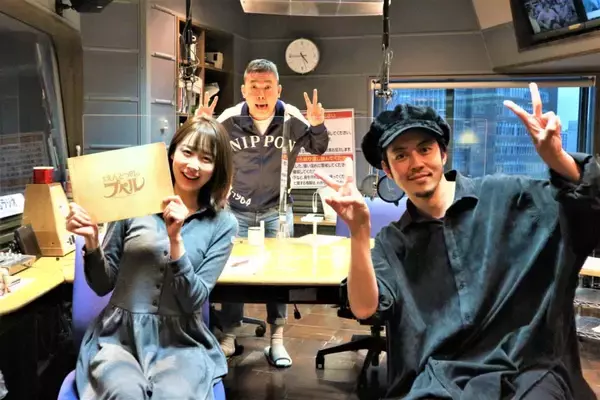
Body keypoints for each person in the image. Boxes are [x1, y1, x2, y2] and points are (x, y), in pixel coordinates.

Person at [316, 83, 600, 399]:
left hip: (526, 367)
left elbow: (585, 207)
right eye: (401, 155)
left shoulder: (508, 197)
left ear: (443, 153)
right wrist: (358, 232)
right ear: (387, 169)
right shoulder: (393, 243)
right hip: (439, 377)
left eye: (425, 149)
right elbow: (365, 308)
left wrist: (559, 159)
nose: (415, 163)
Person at [66, 116, 238, 399]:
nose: (193, 165)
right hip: (119, 338)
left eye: (206, 159)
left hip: (181, 342)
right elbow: (102, 284)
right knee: (125, 393)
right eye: (187, 152)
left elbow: (193, 300)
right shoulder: (133, 203)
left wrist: (176, 240)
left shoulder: (223, 224)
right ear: (172, 153)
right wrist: (92, 241)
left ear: (217, 168)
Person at [195, 59, 330, 367]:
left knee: (278, 276)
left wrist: (317, 125)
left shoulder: (291, 117)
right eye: (254, 86)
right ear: (243, 90)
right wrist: (199, 124)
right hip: (236, 210)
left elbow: (318, 146)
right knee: (232, 274)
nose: (260, 93)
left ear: (278, 90)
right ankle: (229, 335)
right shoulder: (229, 119)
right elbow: (201, 149)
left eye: (267, 86)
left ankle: (276, 339)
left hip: (276, 210)